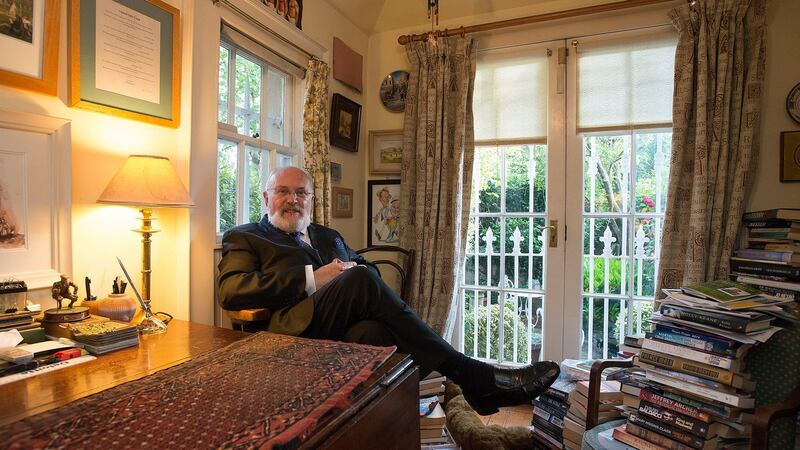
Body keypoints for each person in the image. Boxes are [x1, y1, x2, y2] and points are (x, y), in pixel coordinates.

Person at [217, 167, 560, 415]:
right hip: (290, 330)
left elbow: (372, 273)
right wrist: (312, 279)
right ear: (266, 197)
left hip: (338, 324)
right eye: (283, 191)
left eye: (301, 193)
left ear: (311, 199)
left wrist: (356, 271)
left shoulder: (326, 234)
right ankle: (473, 376)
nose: (292, 200)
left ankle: (381, 422)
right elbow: (231, 291)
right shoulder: (246, 236)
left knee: (374, 328)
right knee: (358, 279)